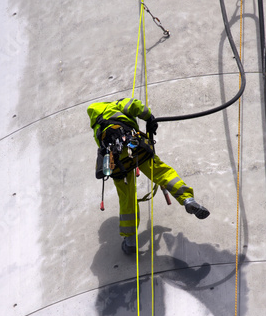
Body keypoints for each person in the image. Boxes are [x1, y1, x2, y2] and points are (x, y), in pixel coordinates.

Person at [88, 97, 209, 255]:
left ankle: (130, 240)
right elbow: (136, 106)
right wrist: (149, 117)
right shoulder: (115, 105)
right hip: (136, 148)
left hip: (116, 161)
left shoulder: (97, 126)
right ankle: (187, 199)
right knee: (162, 172)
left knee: (127, 197)